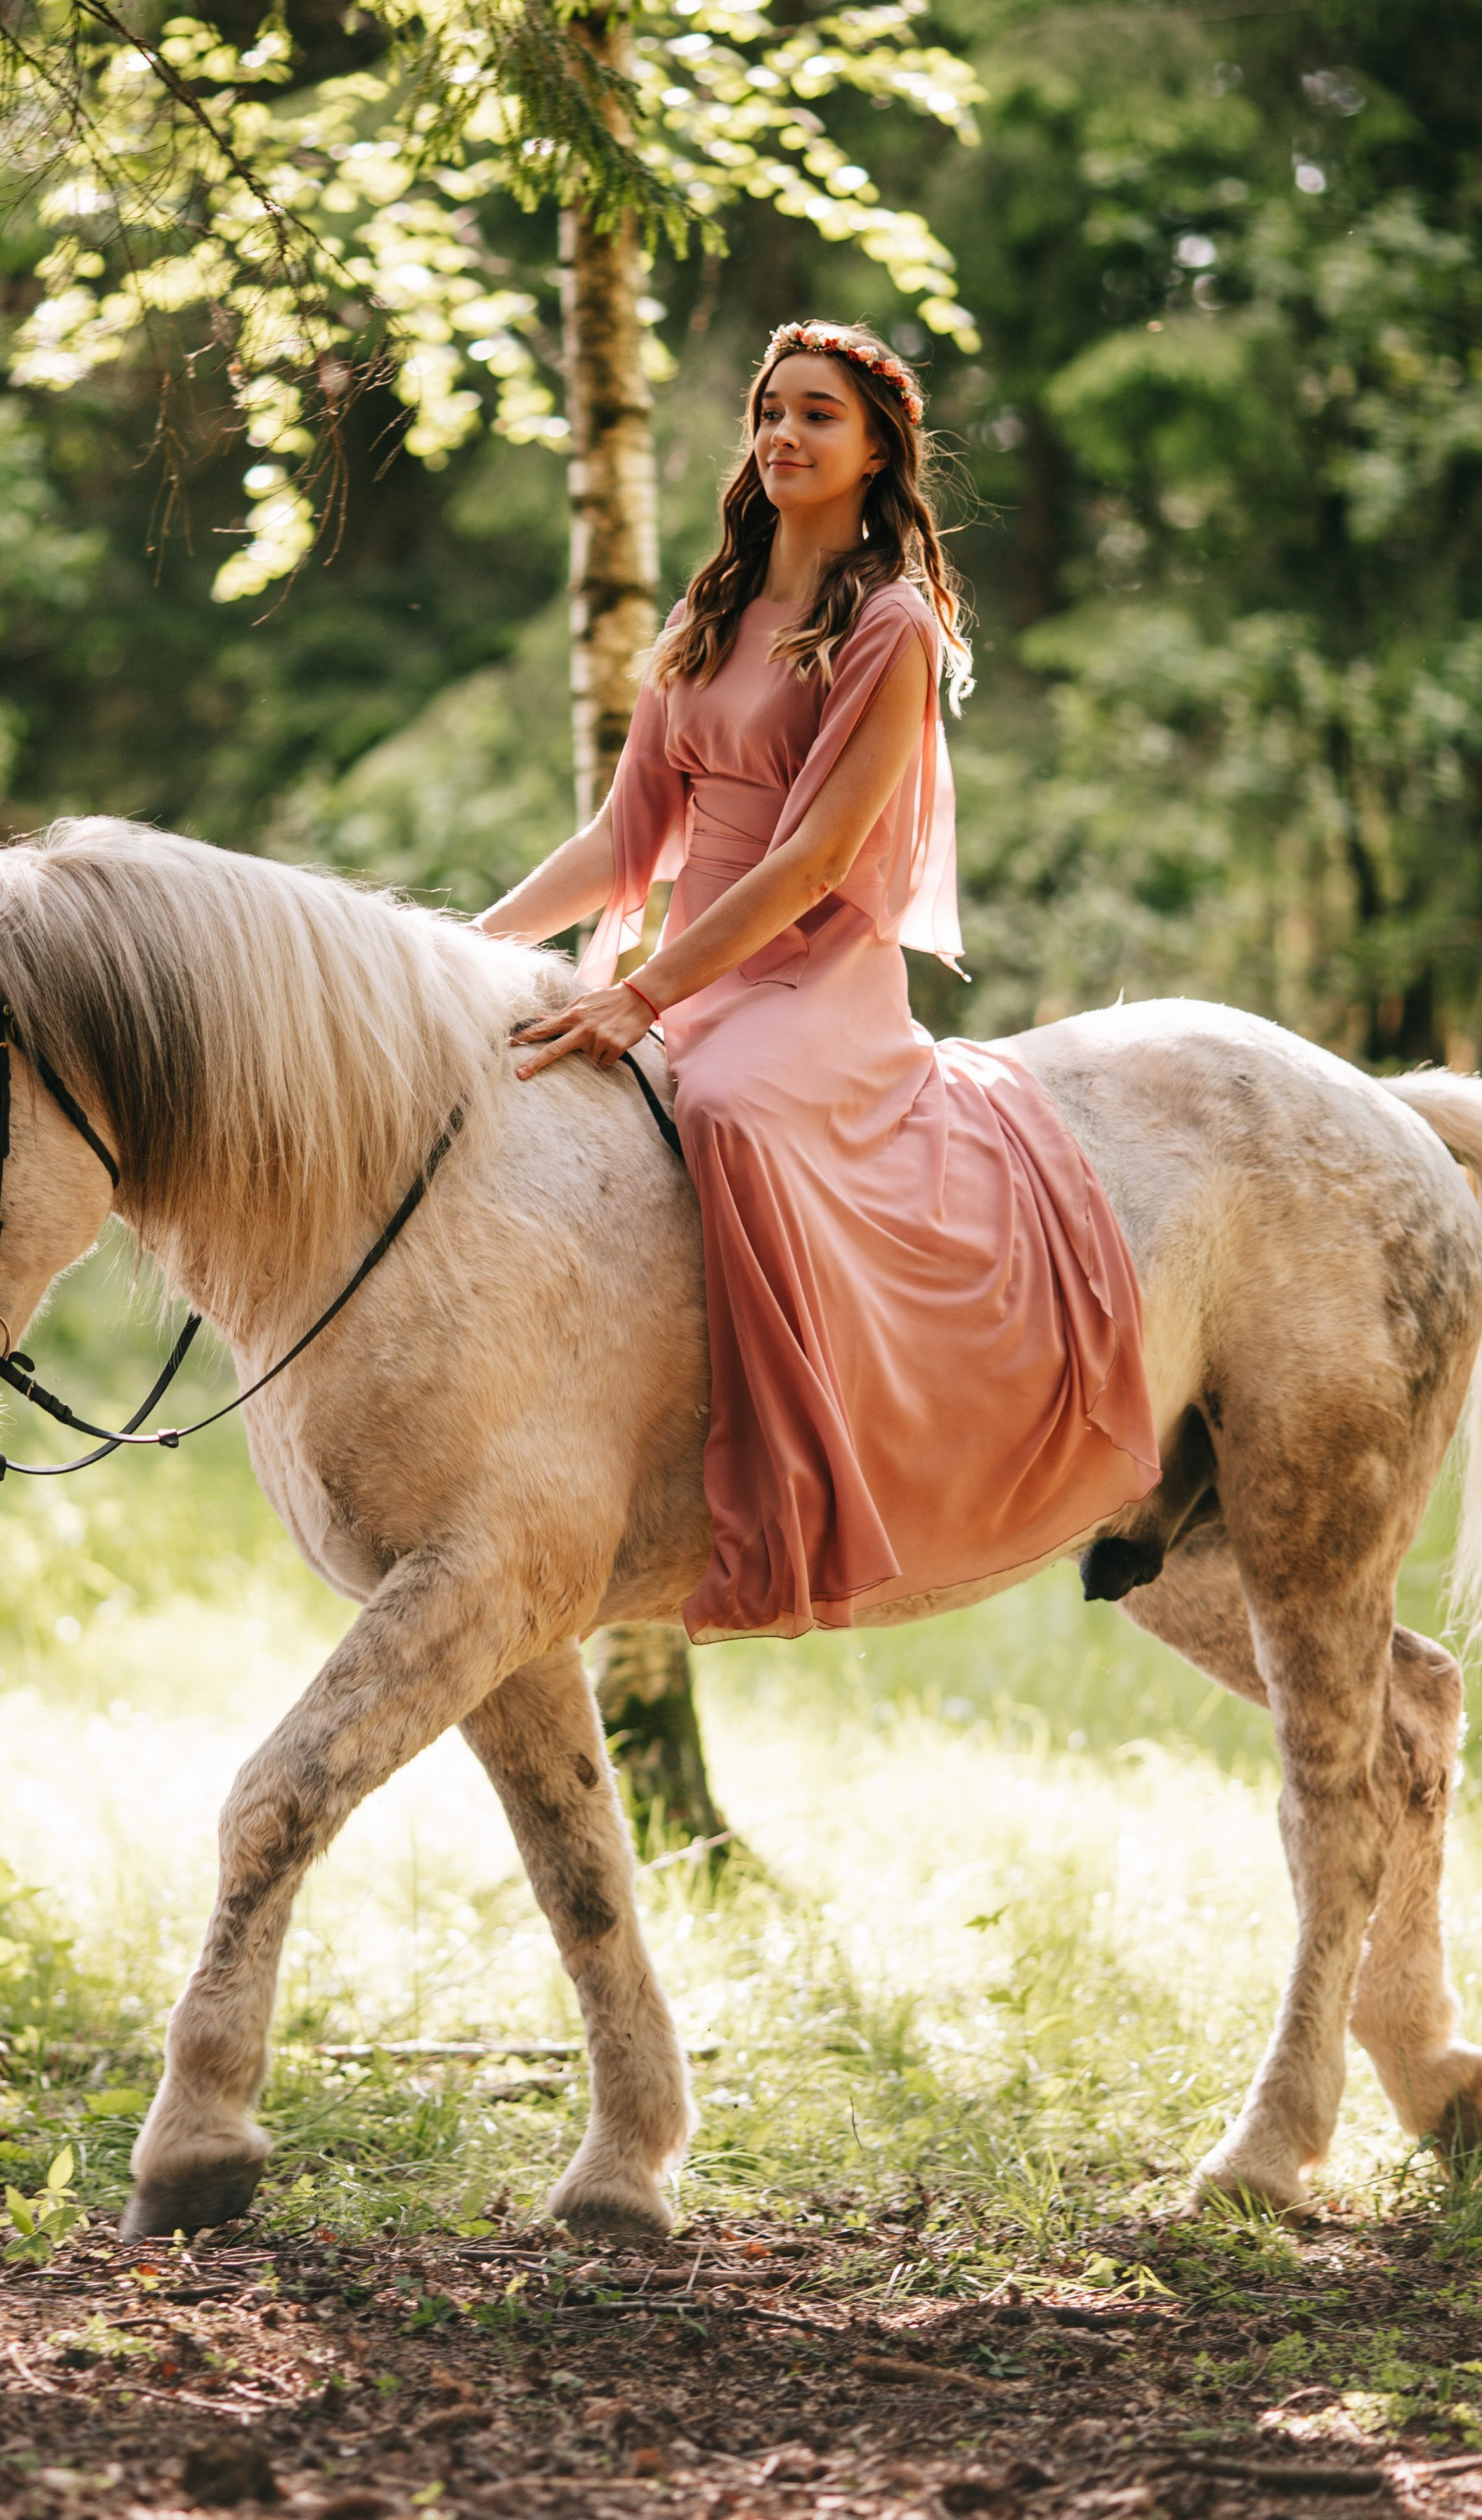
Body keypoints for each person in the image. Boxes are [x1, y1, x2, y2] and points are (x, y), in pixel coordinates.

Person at [476, 320, 1161, 1639]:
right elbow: (626, 843)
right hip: (692, 954)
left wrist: (644, 996)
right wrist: (462, 946)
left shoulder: (892, 626)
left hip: (807, 978)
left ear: (876, 450)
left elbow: (811, 863)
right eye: (771, 411)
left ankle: (798, 1480)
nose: (784, 434)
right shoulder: (709, 610)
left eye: (818, 416)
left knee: (724, 1109)